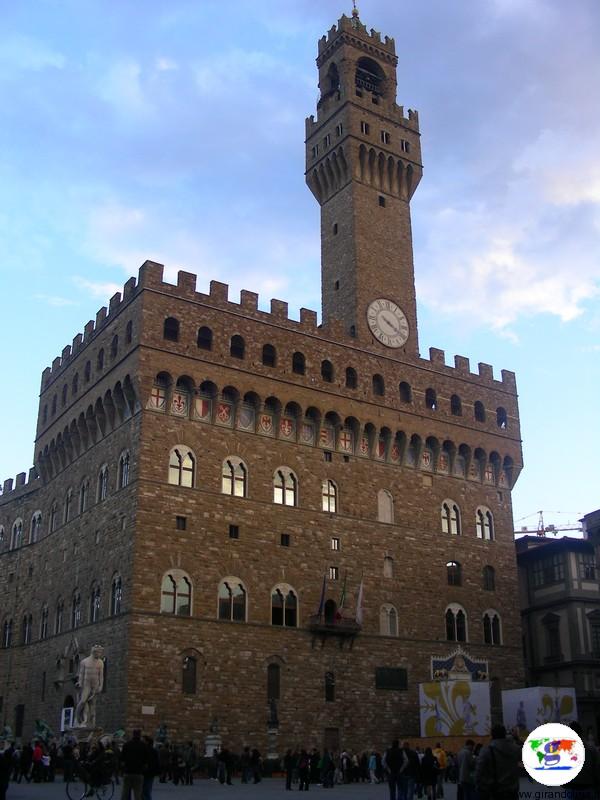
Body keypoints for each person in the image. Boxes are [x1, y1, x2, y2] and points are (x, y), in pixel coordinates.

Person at [75, 645, 105, 728]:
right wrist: (80, 683)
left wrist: (101, 686)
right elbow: (81, 674)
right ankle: (78, 718)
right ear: (94, 652)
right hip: (86, 684)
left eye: (100, 653)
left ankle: (90, 722)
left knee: (92, 705)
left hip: (95, 685)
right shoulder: (84, 662)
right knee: (83, 701)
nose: (100, 654)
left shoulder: (100, 662)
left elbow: (101, 676)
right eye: (99, 653)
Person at [120, 729, 147, 800]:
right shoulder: (143, 745)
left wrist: (123, 769)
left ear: (133, 734)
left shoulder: (126, 745)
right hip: (138, 773)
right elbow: (145, 760)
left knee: (125, 793)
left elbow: (122, 760)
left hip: (128, 772)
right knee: (138, 794)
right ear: (140, 735)